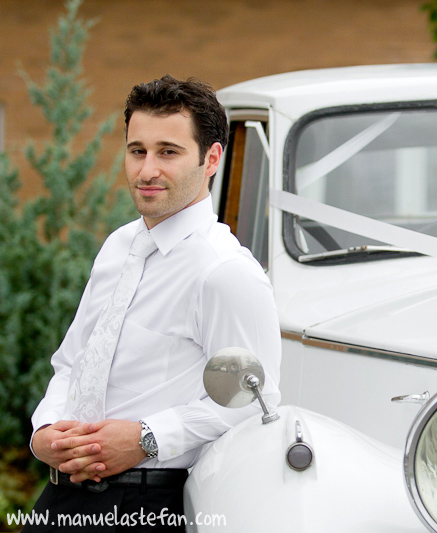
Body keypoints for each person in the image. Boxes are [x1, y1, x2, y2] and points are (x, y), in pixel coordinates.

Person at [24, 75, 281, 532]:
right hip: (60, 496)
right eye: (137, 150)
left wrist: (146, 438)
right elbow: (71, 362)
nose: (146, 170)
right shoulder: (118, 246)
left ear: (212, 159)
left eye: (168, 151)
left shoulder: (226, 272)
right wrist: (45, 431)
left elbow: (255, 400)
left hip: (147, 503)